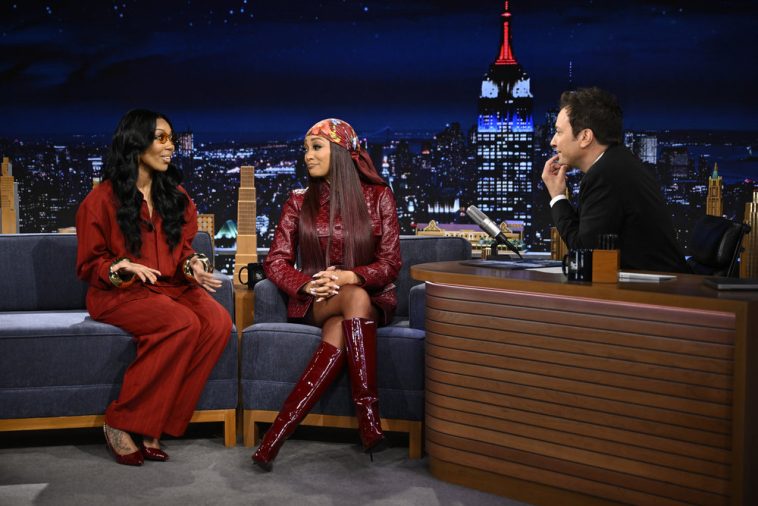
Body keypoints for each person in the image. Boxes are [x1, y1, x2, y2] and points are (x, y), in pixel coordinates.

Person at [76, 109, 232, 466]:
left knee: (218, 322)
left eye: (171, 139)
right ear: (136, 143)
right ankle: (121, 421)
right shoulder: (99, 201)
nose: (170, 146)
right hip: (120, 293)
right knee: (181, 322)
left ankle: (156, 422)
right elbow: (89, 265)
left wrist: (194, 266)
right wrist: (122, 266)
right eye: (161, 138)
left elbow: (185, 250)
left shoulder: (176, 196)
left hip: (171, 287)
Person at [252, 118, 402, 471]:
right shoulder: (297, 201)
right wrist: (307, 284)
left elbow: (391, 263)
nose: (307, 155)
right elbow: (275, 261)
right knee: (350, 300)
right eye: (305, 148)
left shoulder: (379, 197)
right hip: (316, 299)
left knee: (348, 310)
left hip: (371, 299)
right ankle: (369, 420)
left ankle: (274, 438)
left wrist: (352, 275)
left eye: (316, 147)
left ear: (341, 151)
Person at [541, 87, 689, 273]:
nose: (553, 141)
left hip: (656, 287)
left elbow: (584, 252)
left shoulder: (605, 175)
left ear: (585, 137)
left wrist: (557, 197)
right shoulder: (617, 162)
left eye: (559, 132)